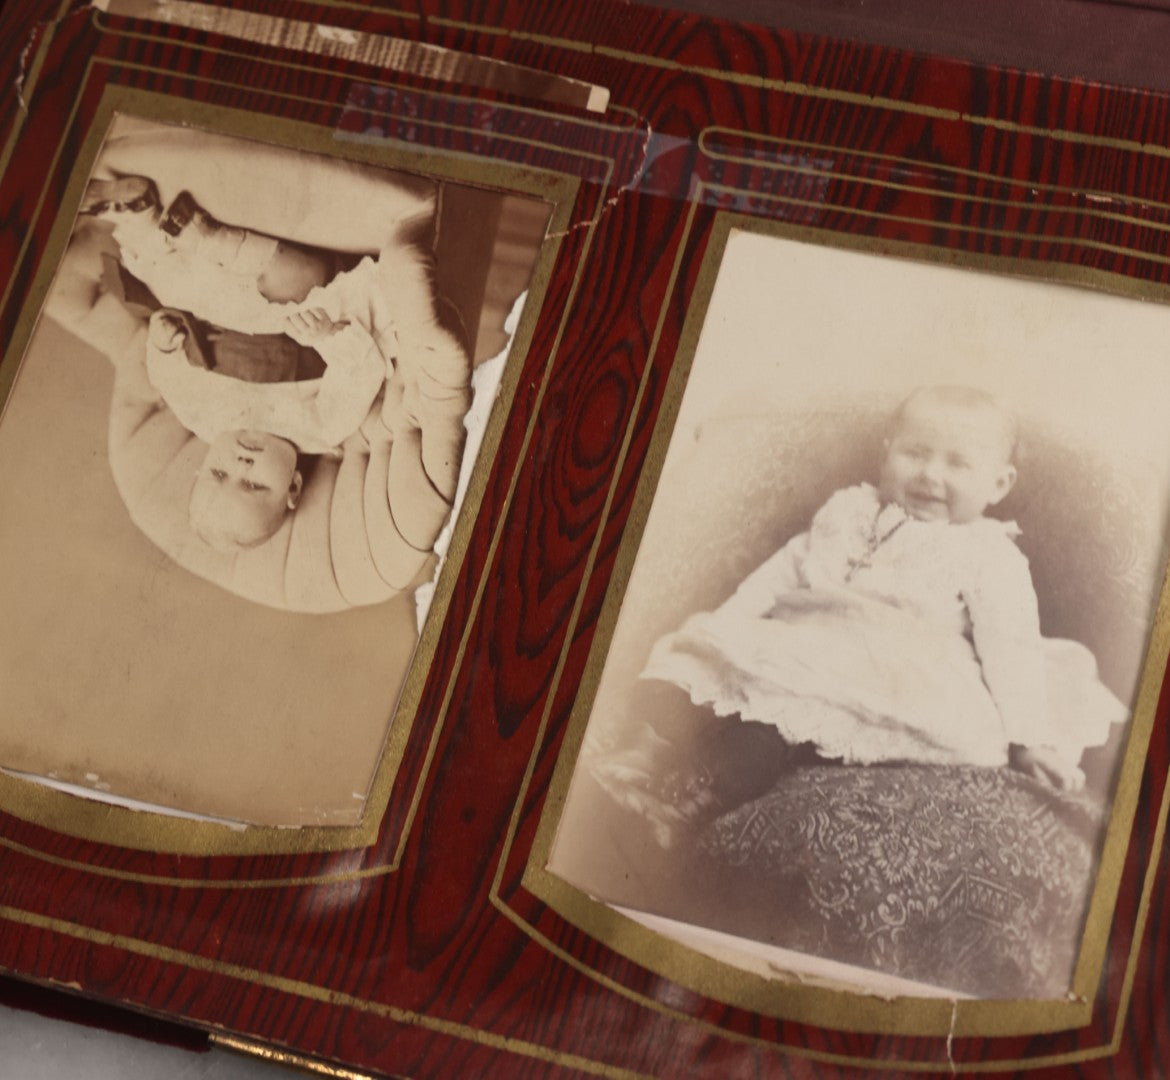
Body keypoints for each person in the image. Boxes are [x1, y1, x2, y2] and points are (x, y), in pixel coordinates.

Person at [593, 385, 1127, 846]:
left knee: (765, 731)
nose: (930, 474)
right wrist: (727, 627)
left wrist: (1028, 739)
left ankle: (689, 802)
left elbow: (1012, 647)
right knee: (691, 672)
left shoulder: (989, 554)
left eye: (957, 463)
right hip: (805, 644)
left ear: (999, 484)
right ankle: (646, 751)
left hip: (898, 673)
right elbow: (785, 570)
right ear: (886, 452)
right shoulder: (849, 510)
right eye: (916, 452)